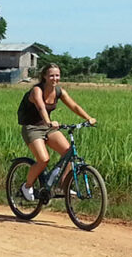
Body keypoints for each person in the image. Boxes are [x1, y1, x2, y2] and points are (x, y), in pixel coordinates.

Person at [16, 63, 96, 201]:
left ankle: (62, 186)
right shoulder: (37, 90)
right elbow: (41, 108)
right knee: (43, 160)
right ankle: (27, 186)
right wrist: (49, 122)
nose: (55, 78)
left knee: (69, 153)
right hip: (32, 128)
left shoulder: (59, 91)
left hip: (48, 128)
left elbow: (74, 106)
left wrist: (88, 118)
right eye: (51, 75)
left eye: (57, 75)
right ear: (45, 77)